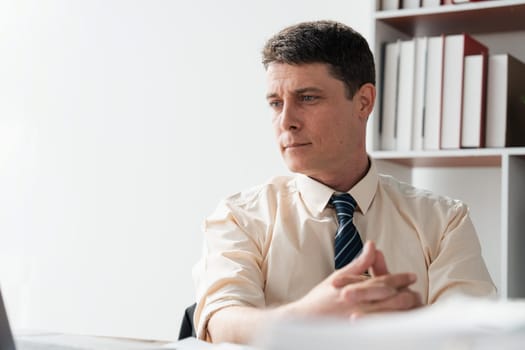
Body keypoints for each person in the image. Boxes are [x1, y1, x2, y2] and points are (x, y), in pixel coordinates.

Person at [192, 20, 496, 345]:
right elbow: (220, 323)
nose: (286, 122)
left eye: (307, 98)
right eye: (275, 103)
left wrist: (410, 330)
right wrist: (305, 317)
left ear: (364, 102)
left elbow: (476, 336)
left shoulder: (444, 221)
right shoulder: (240, 217)